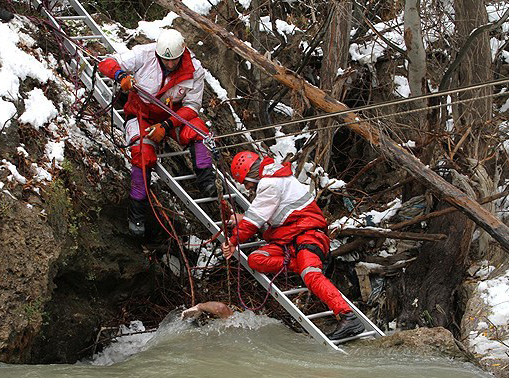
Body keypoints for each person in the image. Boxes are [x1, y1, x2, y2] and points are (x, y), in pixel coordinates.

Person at [221, 151, 365, 340]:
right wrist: (242, 220)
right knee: (256, 259)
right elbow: (268, 215)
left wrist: (232, 241)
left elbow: (254, 219)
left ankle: (348, 316)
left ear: (250, 175)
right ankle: (301, 266)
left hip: (308, 235)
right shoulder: (276, 177)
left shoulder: (268, 183)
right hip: (289, 239)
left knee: (311, 274)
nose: (247, 187)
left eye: (246, 182)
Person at [98, 29, 216, 237]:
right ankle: (137, 214)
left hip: (173, 116)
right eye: (165, 61)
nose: (170, 65)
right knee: (142, 156)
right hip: (141, 114)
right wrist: (121, 75)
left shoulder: (194, 71)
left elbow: (192, 107)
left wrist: (167, 126)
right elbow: (106, 62)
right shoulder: (144, 54)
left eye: (174, 61)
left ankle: (206, 180)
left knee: (199, 131)